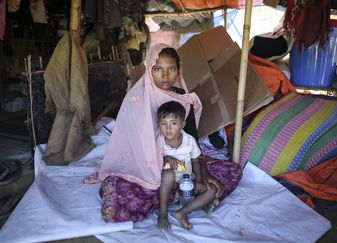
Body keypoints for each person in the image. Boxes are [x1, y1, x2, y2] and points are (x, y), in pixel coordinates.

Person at [83, 44, 243, 225]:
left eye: (171, 69)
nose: (165, 76)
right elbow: (132, 145)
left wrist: (203, 176)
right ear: (150, 68)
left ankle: (179, 198)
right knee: (117, 190)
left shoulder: (183, 99)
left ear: (179, 70)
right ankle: (181, 199)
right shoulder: (137, 99)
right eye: (158, 69)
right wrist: (164, 160)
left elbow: (192, 140)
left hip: (182, 165)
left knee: (232, 171)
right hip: (147, 170)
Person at [157, 101, 221, 230]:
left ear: (182, 125)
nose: (168, 128)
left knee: (212, 190)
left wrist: (198, 180)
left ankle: (182, 212)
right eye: (164, 124)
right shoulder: (159, 142)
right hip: (171, 182)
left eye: (173, 123)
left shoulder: (190, 141)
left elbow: (196, 160)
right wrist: (166, 158)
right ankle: (163, 214)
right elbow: (151, 159)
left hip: (188, 179)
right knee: (168, 174)